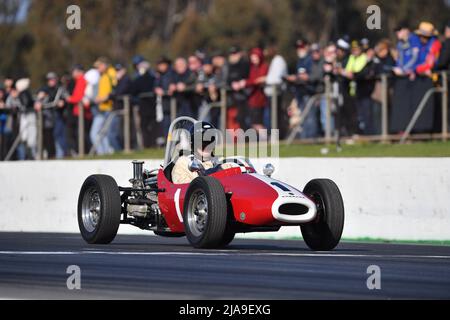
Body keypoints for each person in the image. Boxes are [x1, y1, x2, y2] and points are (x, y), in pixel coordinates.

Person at [91, 57, 117, 154]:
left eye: (99, 66)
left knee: (107, 133)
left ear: (104, 65)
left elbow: (114, 90)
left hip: (109, 107)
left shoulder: (111, 73)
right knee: (102, 133)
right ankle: (105, 153)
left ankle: (107, 152)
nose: (98, 69)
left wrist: (103, 98)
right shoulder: (102, 75)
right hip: (102, 108)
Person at [244, 47, 269, 134]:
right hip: (252, 99)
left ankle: (265, 139)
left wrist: (244, 83)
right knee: (253, 123)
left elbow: (257, 80)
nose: (253, 59)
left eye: (255, 57)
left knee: (257, 123)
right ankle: (263, 140)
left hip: (260, 99)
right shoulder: (252, 68)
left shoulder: (264, 67)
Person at [264, 43, 288, 132]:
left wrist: (265, 80)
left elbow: (277, 79)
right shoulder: (274, 61)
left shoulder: (278, 60)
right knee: (271, 117)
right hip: (271, 93)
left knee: (276, 117)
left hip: (276, 93)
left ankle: (278, 136)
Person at [65, 64, 87, 155]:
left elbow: (79, 97)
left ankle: (80, 151)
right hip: (77, 111)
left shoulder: (82, 80)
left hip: (80, 111)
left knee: (79, 133)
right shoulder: (78, 81)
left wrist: (70, 99)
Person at [228, 46, 250, 130]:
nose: (233, 56)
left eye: (235, 53)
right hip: (234, 97)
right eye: (232, 54)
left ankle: (252, 139)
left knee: (244, 119)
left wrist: (240, 83)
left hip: (244, 96)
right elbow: (229, 79)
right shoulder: (230, 65)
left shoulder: (245, 64)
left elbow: (247, 77)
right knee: (237, 119)